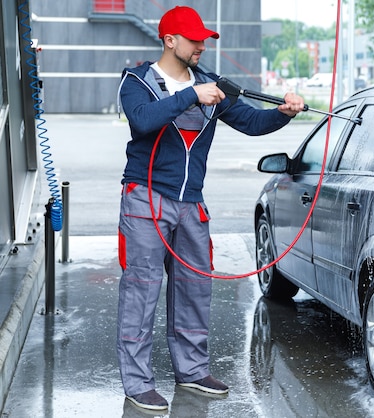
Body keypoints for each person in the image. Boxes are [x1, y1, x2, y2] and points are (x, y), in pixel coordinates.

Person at [116, 5, 304, 412]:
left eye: (204, 39)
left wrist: (283, 114)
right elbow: (142, 120)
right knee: (141, 292)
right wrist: (189, 94)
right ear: (170, 41)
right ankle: (137, 382)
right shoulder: (137, 81)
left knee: (194, 290)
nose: (202, 45)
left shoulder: (211, 85)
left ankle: (193, 370)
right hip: (145, 199)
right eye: (194, 39)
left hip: (191, 204)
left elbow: (253, 123)